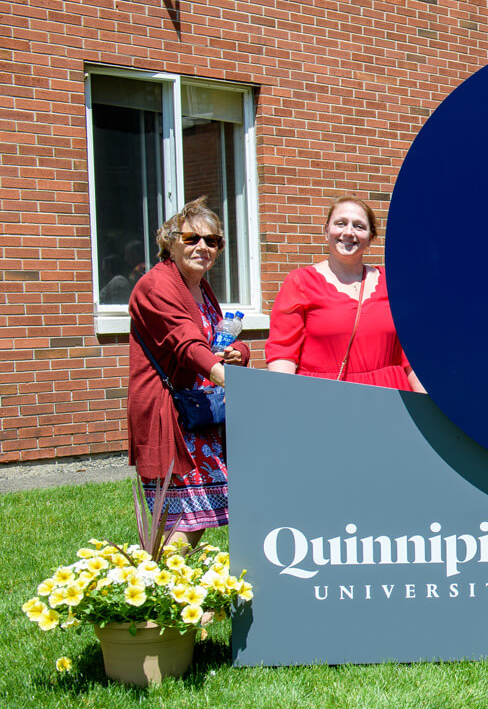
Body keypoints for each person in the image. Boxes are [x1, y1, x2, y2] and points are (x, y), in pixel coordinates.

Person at [128, 197, 250, 546]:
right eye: (191, 238)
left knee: (197, 519)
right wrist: (228, 376)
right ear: (170, 241)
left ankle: (174, 593)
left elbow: (217, 338)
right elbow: (184, 342)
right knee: (179, 522)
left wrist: (238, 352)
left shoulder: (200, 287)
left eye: (211, 241)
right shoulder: (156, 285)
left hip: (201, 411)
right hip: (171, 416)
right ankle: (155, 593)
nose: (202, 247)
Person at [266, 195, 425, 392]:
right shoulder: (300, 282)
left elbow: (411, 355)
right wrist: (281, 400)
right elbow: (283, 353)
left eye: (359, 226)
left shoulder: (392, 283)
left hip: (390, 398)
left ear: (370, 238)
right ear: (326, 232)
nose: (348, 232)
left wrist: (426, 406)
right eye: (341, 223)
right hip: (324, 398)